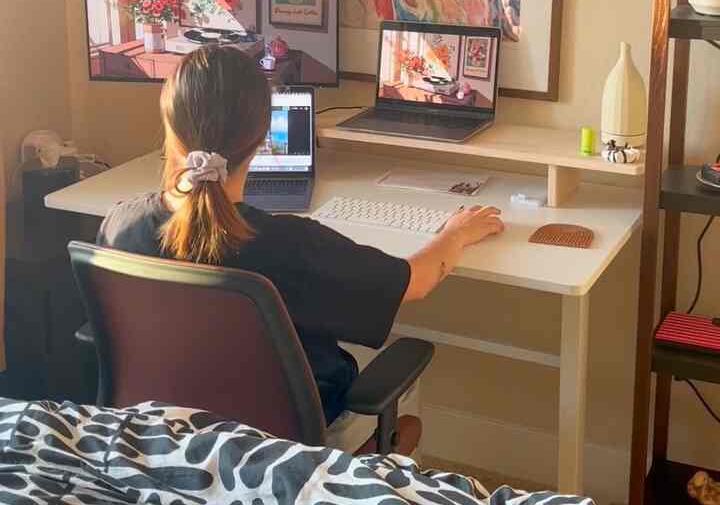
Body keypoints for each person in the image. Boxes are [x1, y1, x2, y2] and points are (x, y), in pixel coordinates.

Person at [98, 45, 504, 435]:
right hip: (283, 442)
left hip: (163, 431)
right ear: (260, 137)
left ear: (172, 129)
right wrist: (456, 234)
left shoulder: (120, 223)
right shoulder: (288, 243)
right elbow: (415, 280)